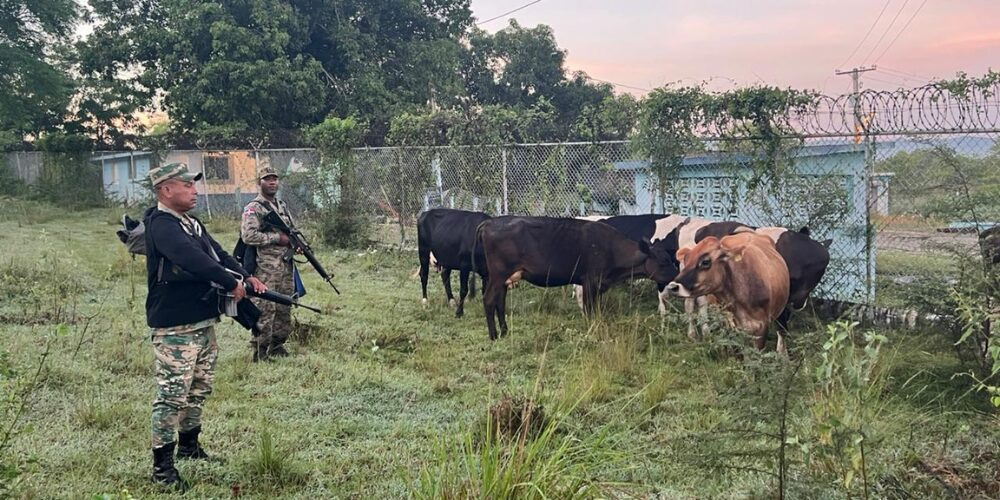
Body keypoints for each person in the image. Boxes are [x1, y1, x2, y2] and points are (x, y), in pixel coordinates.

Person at [142, 163, 266, 489]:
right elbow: (192, 259)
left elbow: (217, 253)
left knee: (199, 387)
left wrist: (245, 275)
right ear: (166, 190)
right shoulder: (162, 225)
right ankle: (162, 468)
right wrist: (230, 282)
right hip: (175, 326)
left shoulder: (191, 223)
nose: (194, 190)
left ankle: (189, 446)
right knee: (172, 395)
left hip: (202, 320)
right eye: (187, 185)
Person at [241, 165, 298, 361]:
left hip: (285, 265)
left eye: (274, 178)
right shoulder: (254, 208)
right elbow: (248, 236)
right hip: (266, 268)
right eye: (267, 179)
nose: (272, 182)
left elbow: (291, 231)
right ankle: (260, 350)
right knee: (266, 308)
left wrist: (296, 244)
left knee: (284, 305)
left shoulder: (282, 206)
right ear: (260, 183)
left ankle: (277, 345)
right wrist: (276, 238)